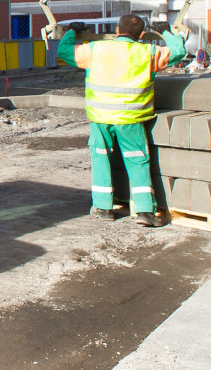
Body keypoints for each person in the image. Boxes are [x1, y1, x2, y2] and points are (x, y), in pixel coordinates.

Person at [58, 13, 187, 228]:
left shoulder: (96, 49)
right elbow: (179, 51)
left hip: (100, 118)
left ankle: (103, 208)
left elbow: (64, 52)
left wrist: (72, 31)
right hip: (132, 119)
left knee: (101, 158)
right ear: (142, 34)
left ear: (117, 31)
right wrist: (165, 30)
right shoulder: (148, 52)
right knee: (137, 161)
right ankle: (145, 212)